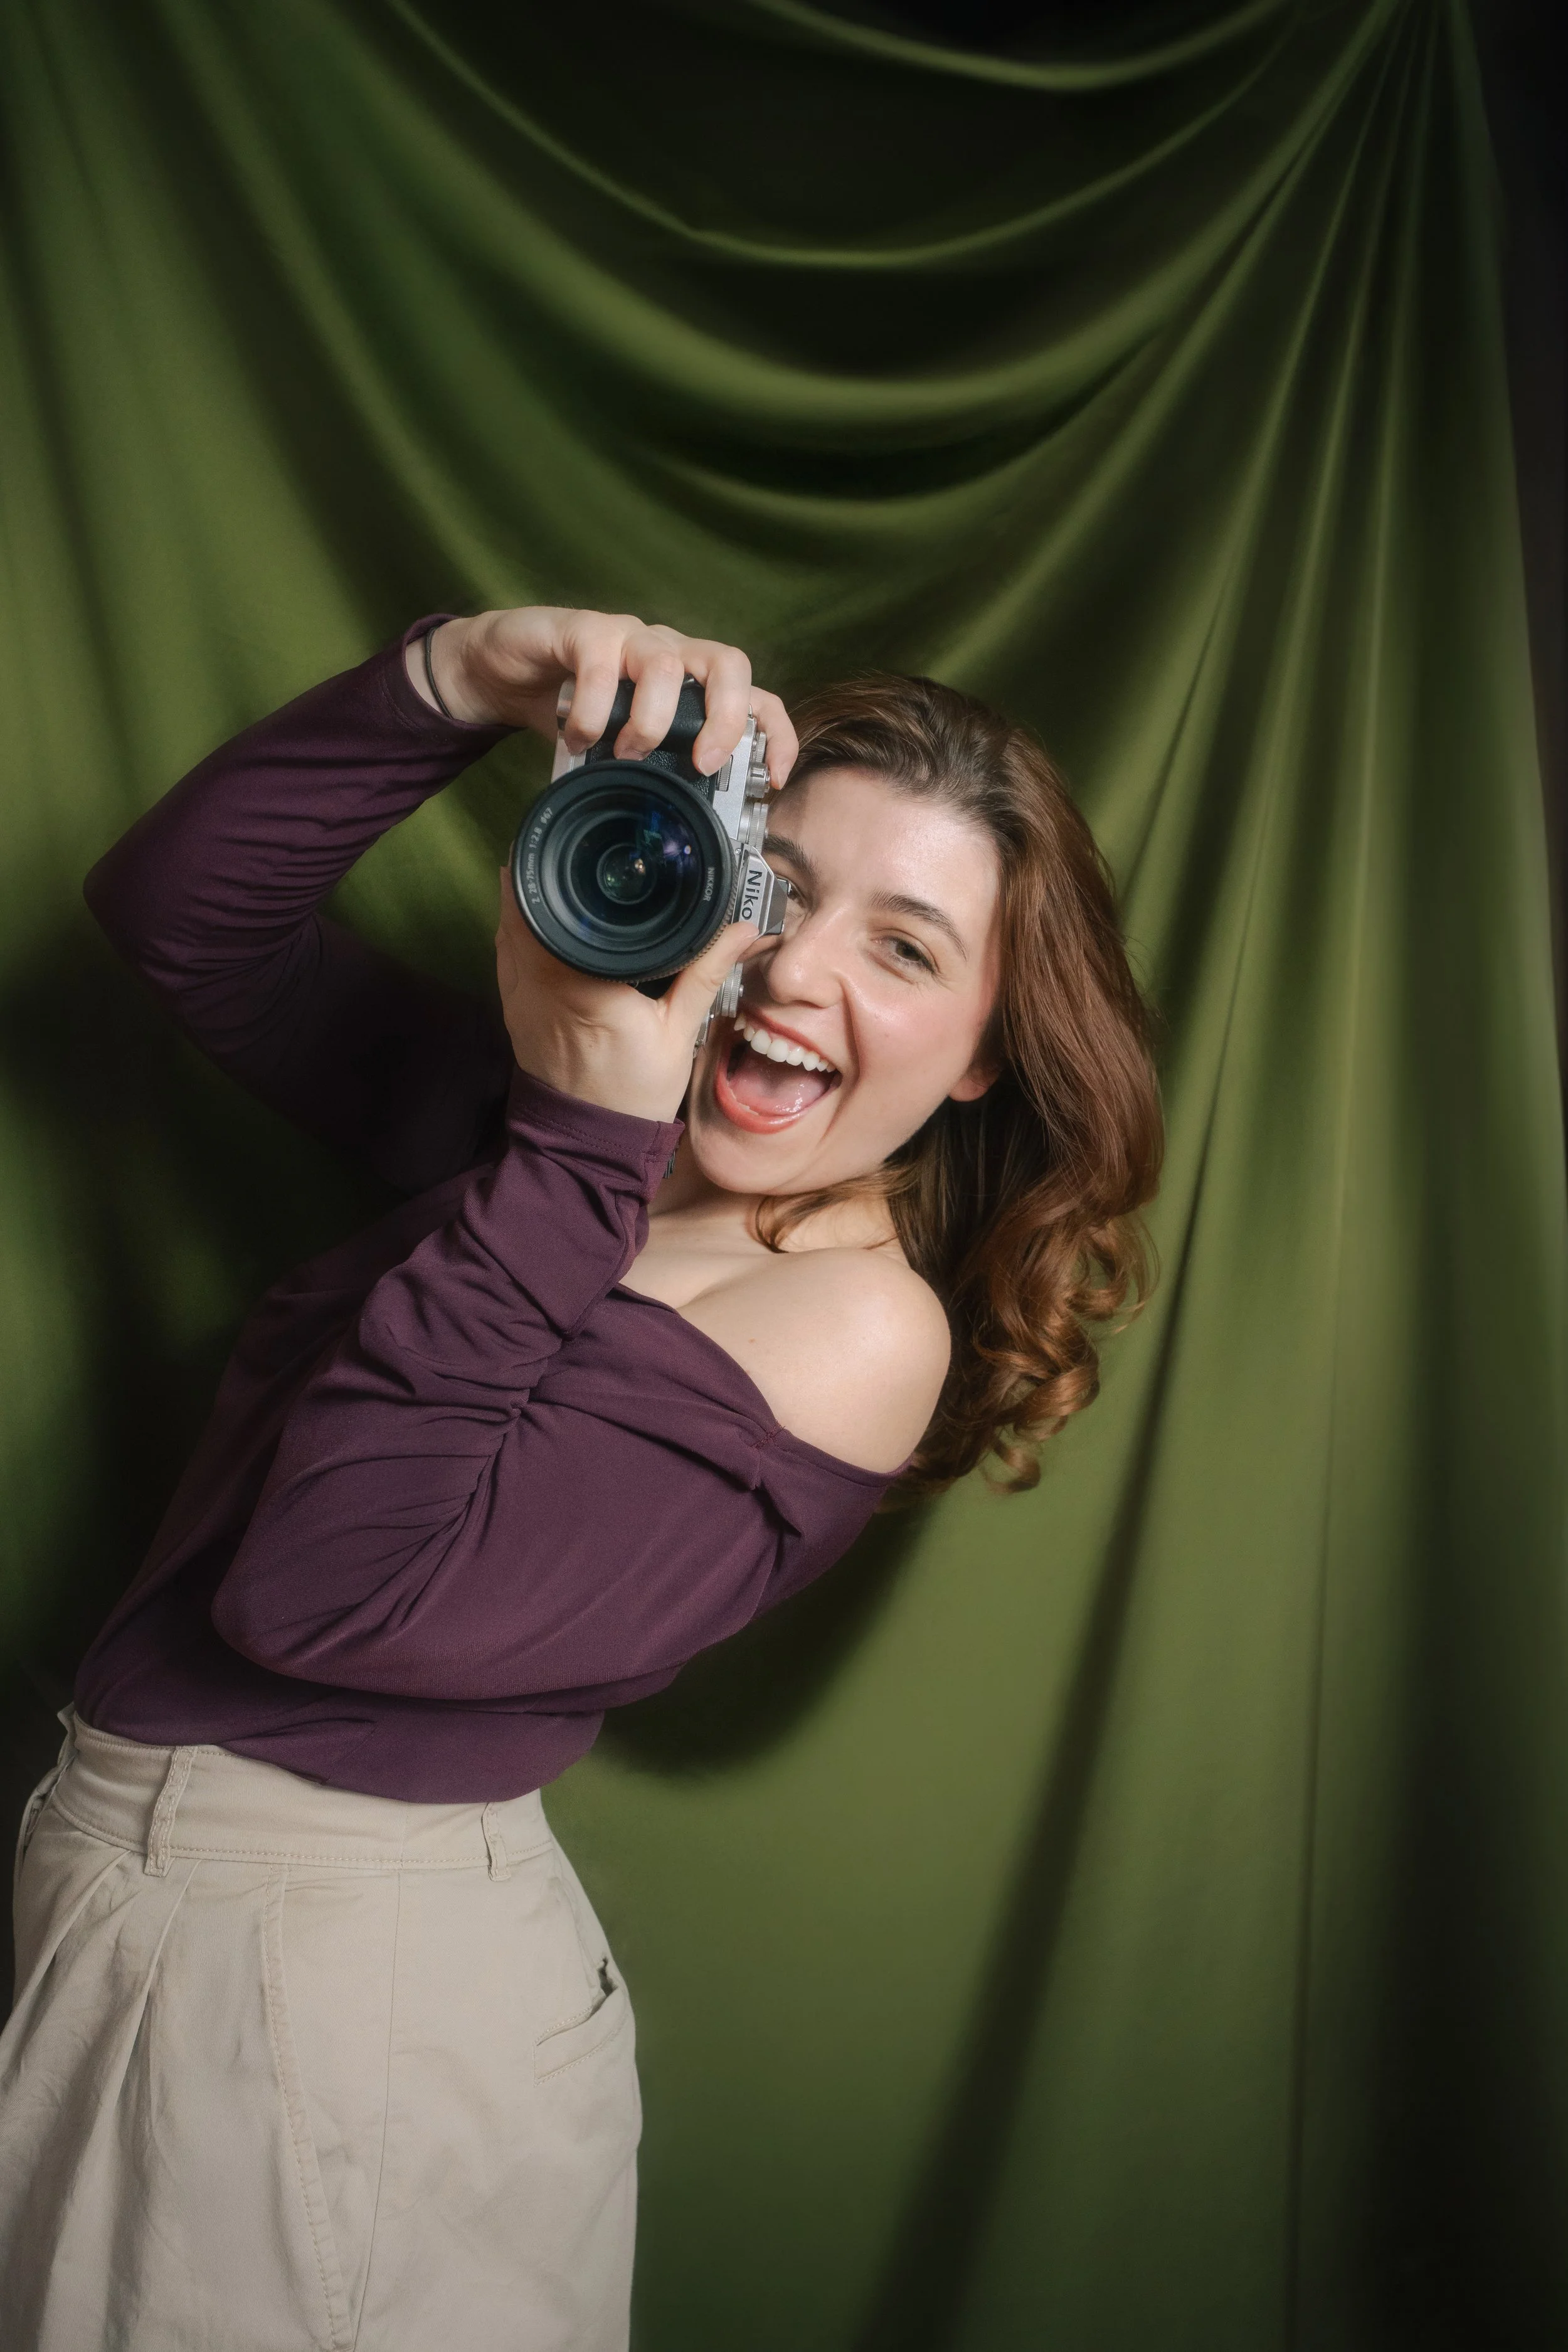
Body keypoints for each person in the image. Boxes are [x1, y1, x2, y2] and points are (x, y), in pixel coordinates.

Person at [0, 605, 1162, 2350]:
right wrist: (459, 678)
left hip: (330, 1997)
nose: (792, 971)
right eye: (775, 886)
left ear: (989, 1046)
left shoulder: (850, 1322)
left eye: (905, 949)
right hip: (167, 1924)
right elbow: (181, 918)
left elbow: (321, 1594)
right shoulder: (567, 1134)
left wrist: (578, 1136)